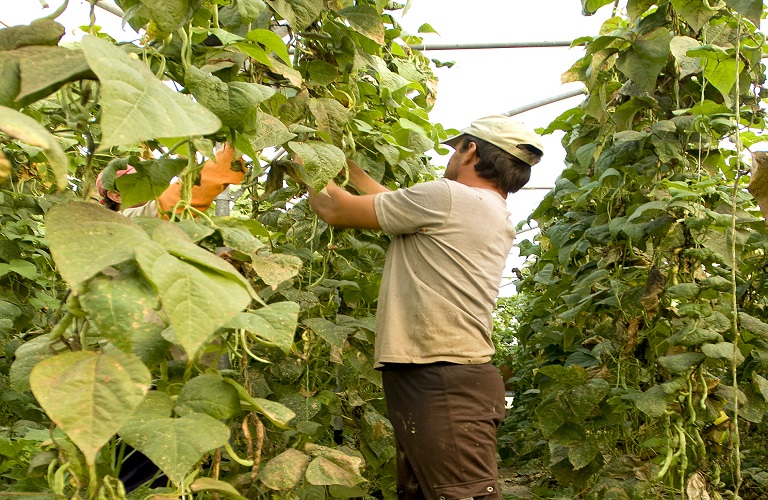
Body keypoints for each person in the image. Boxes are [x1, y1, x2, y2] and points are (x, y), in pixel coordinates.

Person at [305, 115, 544, 500]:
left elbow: (335, 209)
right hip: (442, 375)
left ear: (471, 150)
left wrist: (305, 158)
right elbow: (393, 202)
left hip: (440, 379)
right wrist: (351, 169)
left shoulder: (448, 197)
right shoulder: (481, 207)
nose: (450, 158)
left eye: (454, 149)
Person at [95, 143, 245, 217]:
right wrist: (228, 154)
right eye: (140, 179)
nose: (153, 183)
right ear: (117, 195)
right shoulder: (121, 220)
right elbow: (173, 202)